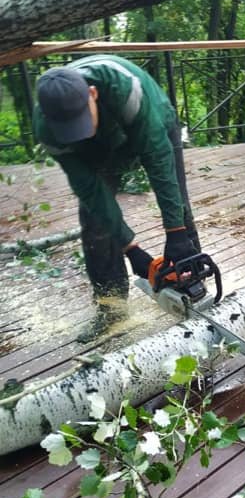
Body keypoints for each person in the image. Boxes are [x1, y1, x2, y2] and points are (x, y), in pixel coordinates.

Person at [33, 54, 200, 341]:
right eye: (69, 128)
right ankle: (111, 309)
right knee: (95, 223)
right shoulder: (48, 131)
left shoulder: (127, 91)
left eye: (81, 120)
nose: (78, 133)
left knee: (178, 204)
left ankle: (191, 278)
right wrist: (130, 247)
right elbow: (91, 191)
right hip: (98, 151)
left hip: (153, 123)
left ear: (93, 94)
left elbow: (158, 162)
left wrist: (175, 232)